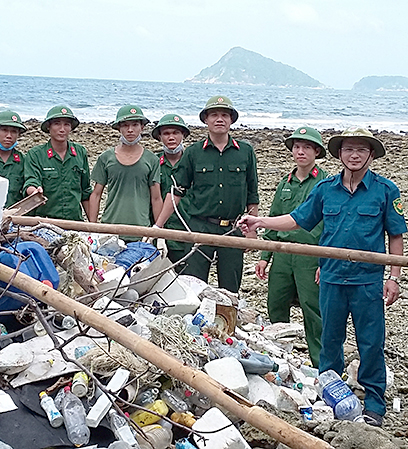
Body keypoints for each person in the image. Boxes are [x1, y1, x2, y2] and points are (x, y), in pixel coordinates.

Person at [238, 127, 406, 427]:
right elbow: (297, 219)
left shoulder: (386, 190)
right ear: (339, 154)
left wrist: (394, 277)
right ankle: (330, 394)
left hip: (367, 280)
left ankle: (375, 404)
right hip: (331, 276)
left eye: (361, 150)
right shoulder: (326, 188)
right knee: (329, 341)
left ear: (370, 155)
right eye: (348, 150)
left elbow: (395, 234)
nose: (354, 155)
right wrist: (260, 221)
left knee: (371, 343)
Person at [155, 95, 259, 293]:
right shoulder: (193, 153)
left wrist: (252, 229)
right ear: (205, 120)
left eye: (224, 115)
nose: (219, 119)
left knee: (230, 288)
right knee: (193, 285)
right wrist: (158, 227)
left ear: (231, 120)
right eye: (214, 115)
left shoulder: (245, 151)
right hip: (200, 226)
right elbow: (177, 192)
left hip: (233, 227)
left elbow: (252, 192)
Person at [256, 126, 328, 367]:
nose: (301, 151)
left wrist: (325, 261)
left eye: (307, 147)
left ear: (316, 151)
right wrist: (265, 256)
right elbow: (274, 219)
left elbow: (331, 225)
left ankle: (320, 364)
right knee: (276, 304)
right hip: (283, 254)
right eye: (297, 147)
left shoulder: (326, 183)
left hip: (310, 255)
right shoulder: (284, 183)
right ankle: (278, 358)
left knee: (313, 310)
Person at [89, 105, 162, 237]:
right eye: (125, 125)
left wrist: (159, 232)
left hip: (140, 230)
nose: (130, 130)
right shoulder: (106, 158)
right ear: (119, 128)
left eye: (135, 125)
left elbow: (156, 198)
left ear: (142, 127)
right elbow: (96, 194)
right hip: (110, 228)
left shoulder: (152, 159)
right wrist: (93, 228)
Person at [23, 105, 92, 220]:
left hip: (74, 221)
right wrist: (35, 191)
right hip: (45, 222)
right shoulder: (35, 154)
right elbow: (31, 180)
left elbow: (85, 191)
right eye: (57, 123)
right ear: (48, 127)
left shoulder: (80, 152)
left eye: (66, 124)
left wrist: (93, 226)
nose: (62, 129)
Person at [152, 113, 192, 263]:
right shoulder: (153, 162)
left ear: (183, 135)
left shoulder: (193, 161)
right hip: (160, 232)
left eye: (176, 133)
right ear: (160, 137)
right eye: (166, 133)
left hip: (187, 231)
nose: (171, 137)